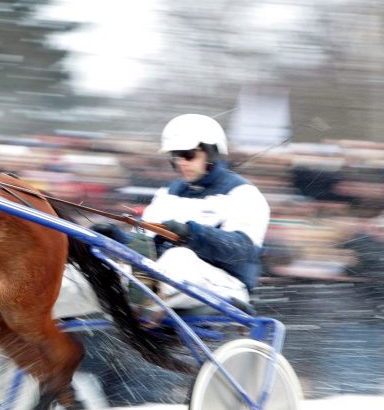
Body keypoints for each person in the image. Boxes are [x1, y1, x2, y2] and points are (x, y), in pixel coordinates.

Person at [96, 113, 270, 316]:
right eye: (175, 156)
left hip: (227, 285)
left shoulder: (244, 194)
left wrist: (191, 233)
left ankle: (143, 305)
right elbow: (147, 247)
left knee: (179, 257)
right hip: (165, 276)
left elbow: (241, 251)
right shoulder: (167, 193)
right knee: (103, 263)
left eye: (188, 154)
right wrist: (115, 240)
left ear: (211, 152)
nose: (181, 163)